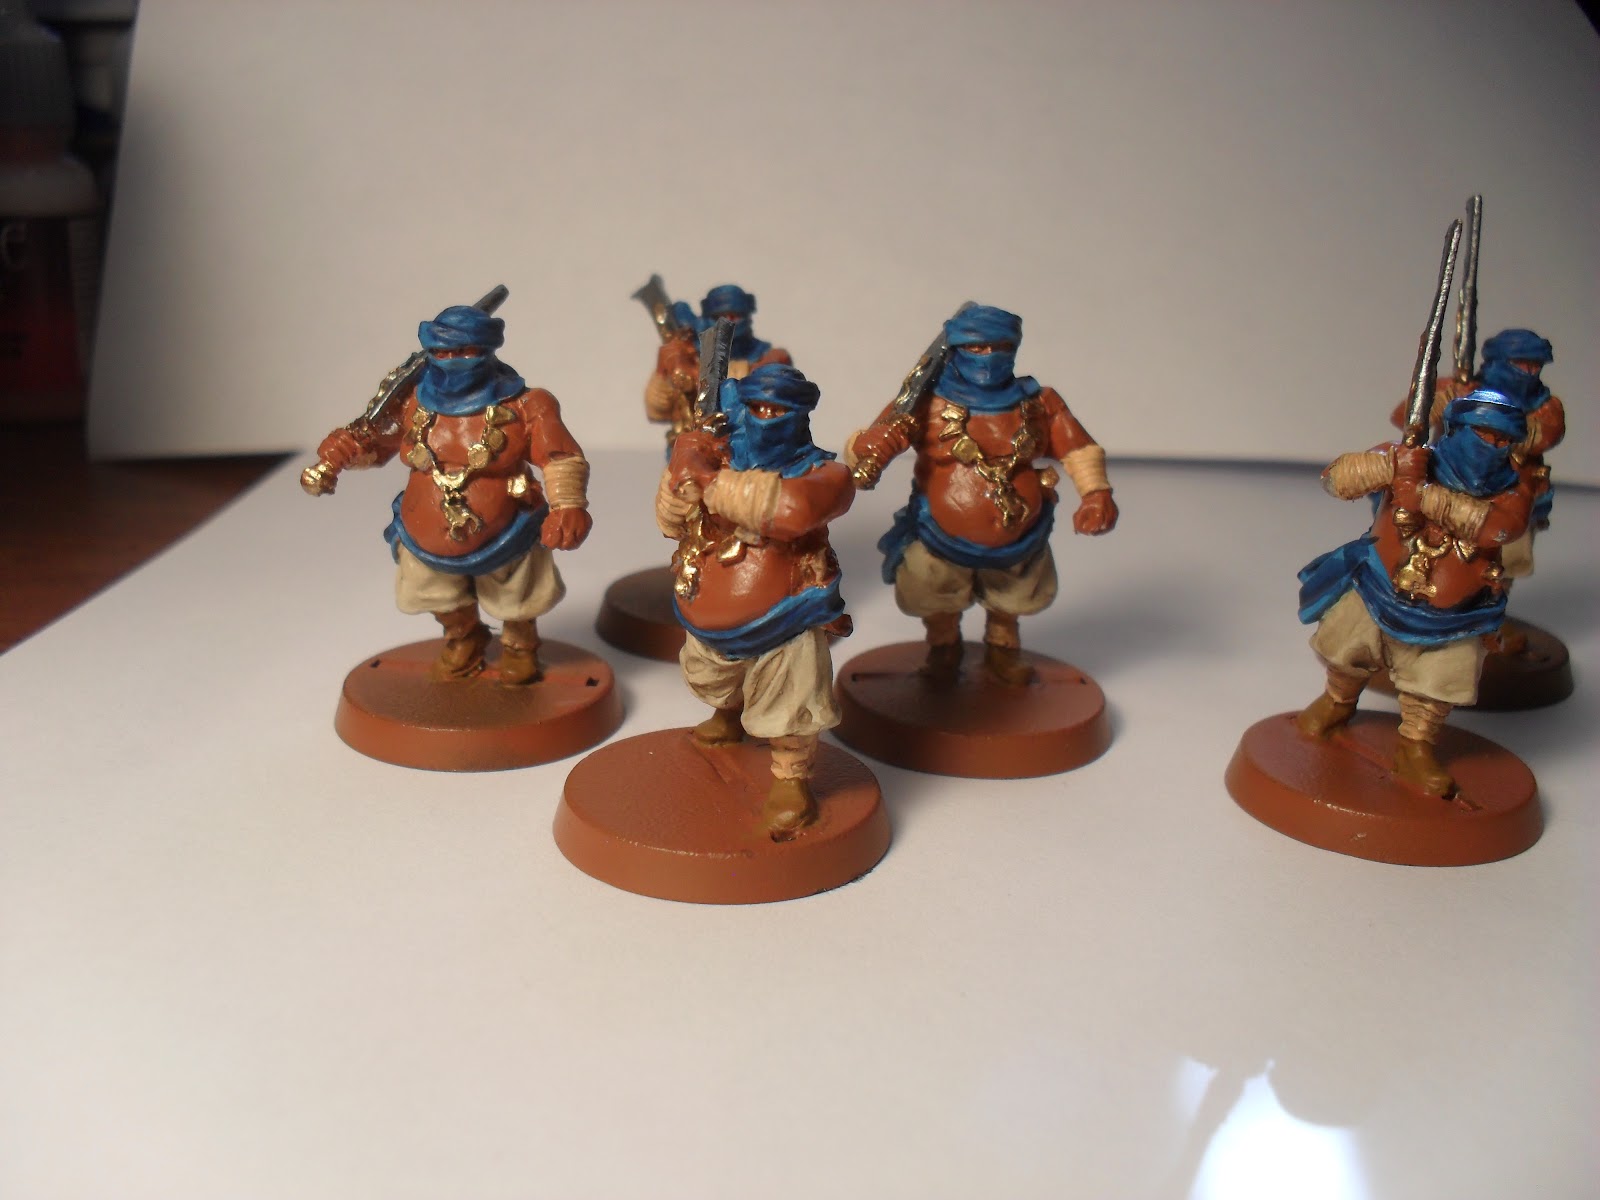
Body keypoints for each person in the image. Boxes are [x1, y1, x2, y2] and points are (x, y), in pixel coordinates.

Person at [315, 304, 592, 684]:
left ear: (485, 350)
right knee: (431, 591)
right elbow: (378, 448)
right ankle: (463, 636)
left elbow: (560, 456)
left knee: (517, 595)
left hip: (508, 530)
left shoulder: (527, 405)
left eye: (463, 351)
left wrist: (568, 504)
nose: (451, 360)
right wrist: (346, 452)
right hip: (423, 531)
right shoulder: (412, 402)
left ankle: (519, 644)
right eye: (441, 352)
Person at [845, 304, 1117, 685]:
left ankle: (1003, 648)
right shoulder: (925, 402)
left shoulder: (1039, 404)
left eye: (999, 346)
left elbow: (1078, 448)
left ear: (1014, 348)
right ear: (956, 349)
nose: (987, 356)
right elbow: (865, 450)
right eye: (976, 347)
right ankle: (943, 648)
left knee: (1013, 596)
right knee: (935, 593)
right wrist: (867, 446)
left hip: (1021, 535)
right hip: (939, 535)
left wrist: (1096, 492)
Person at [1296, 389, 1535, 795]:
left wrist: (1424, 496)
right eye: (1483, 434)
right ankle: (1336, 702)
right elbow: (1335, 480)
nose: (1492, 445)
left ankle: (1415, 747)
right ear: (1456, 428)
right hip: (1377, 585)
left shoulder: (1512, 490)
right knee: (1347, 649)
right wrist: (1390, 466)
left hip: (1456, 613)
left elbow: (1498, 528)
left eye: (1502, 440)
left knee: (1437, 682)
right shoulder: (1410, 458)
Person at [655, 363, 852, 837]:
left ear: (800, 416)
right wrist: (679, 477)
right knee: (708, 673)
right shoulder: (718, 456)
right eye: (756, 408)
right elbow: (671, 524)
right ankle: (728, 715)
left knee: (791, 702)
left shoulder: (825, 474)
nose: (764, 419)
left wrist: (708, 480)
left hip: (787, 614)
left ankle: (791, 781)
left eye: (776, 410)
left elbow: (791, 512)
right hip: (708, 603)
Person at [644, 284, 792, 445]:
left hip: (746, 441)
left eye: (734, 317)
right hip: (697, 440)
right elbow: (657, 410)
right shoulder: (690, 355)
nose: (729, 322)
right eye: (722, 317)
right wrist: (666, 369)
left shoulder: (767, 356)